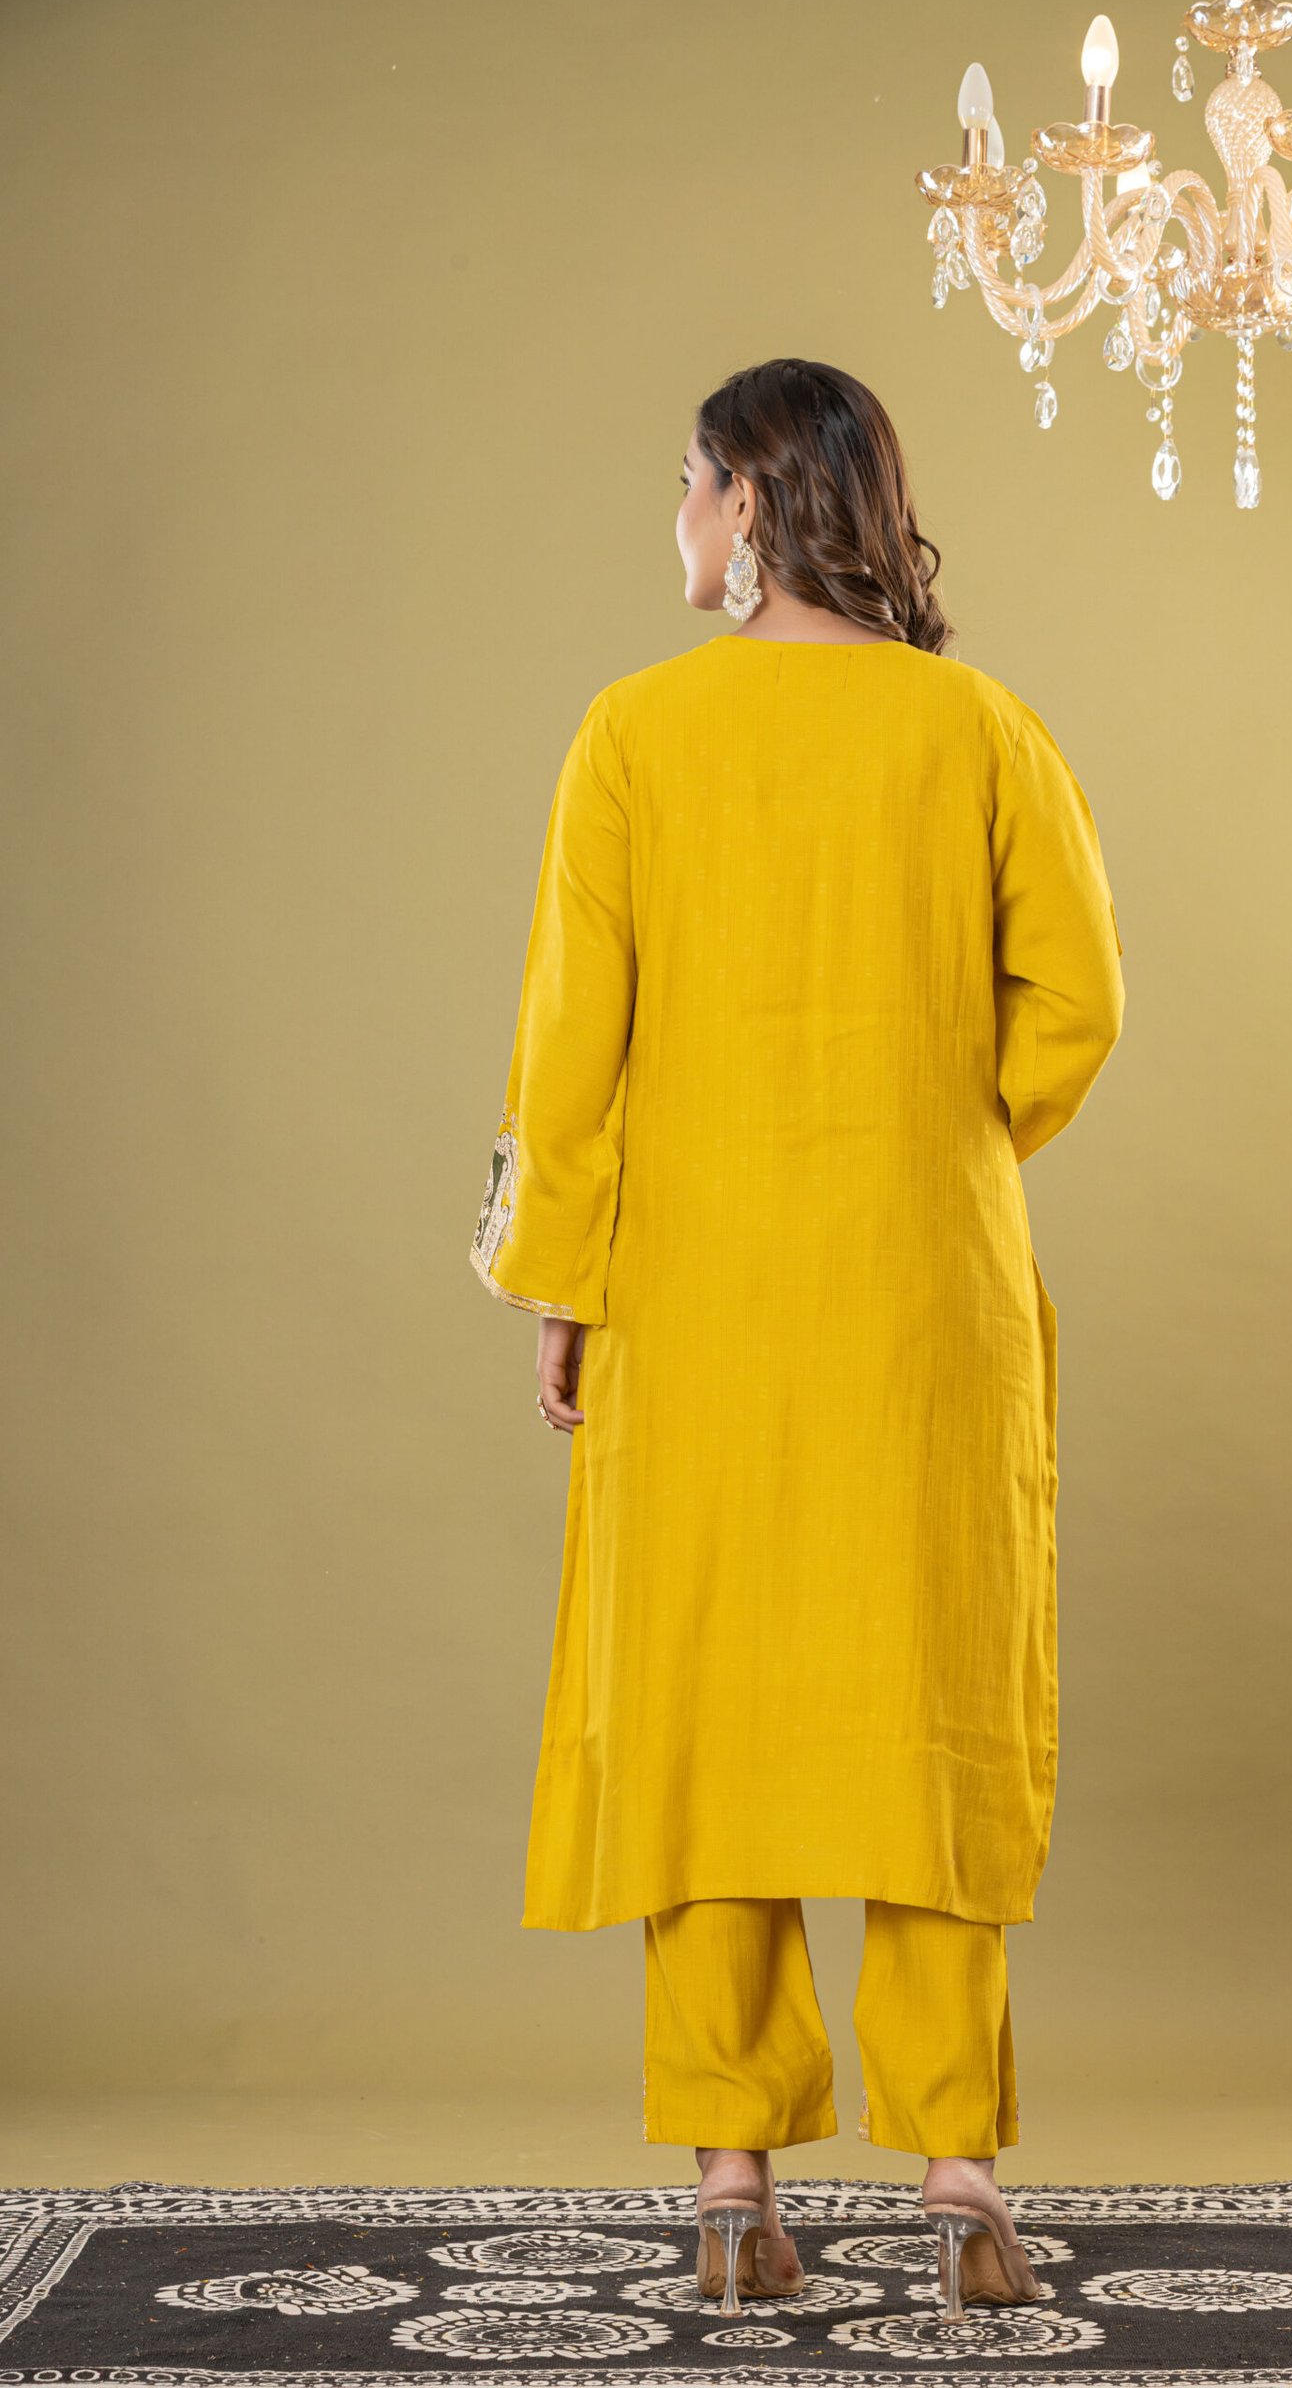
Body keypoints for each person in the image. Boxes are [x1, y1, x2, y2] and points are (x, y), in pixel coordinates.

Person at [469, 356, 1126, 2326]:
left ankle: (732, 2182)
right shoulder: (982, 728)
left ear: (747, 503)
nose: (672, 518)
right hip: (927, 1305)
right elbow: (1075, 1008)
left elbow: (567, 1051)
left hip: (699, 1306)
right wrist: (936, 1142)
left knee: (708, 1722)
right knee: (930, 1715)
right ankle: (957, 2175)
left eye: (686, 481)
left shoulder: (632, 736)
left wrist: (562, 1279)